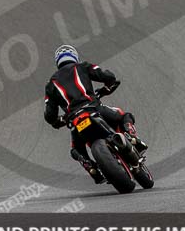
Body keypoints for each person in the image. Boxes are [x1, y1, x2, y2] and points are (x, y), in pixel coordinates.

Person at [44, 44, 147, 183]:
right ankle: (131, 135)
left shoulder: (51, 85)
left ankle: (89, 166)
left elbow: (49, 115)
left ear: (57, 61)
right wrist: (107, 84)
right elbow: (107, 76)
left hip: (75, 121)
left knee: (76, 150)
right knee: (123, 115)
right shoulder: (82, 66)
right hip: (94, 109)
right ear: (74, 56)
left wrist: (58, 121)